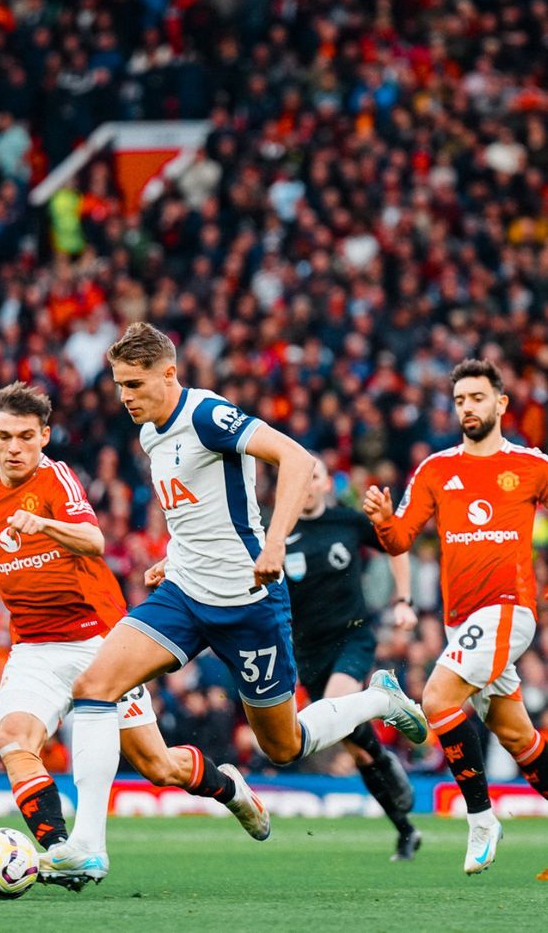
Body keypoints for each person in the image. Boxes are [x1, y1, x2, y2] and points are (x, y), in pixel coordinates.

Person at [40, 323, 428, 884]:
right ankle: (88, 846)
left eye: (134, 384)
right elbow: (196, 509)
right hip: (184, 595)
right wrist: (174, 556)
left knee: (284, 745)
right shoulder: (150, 432)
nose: (124, 396)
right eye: (119, 384)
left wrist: (274, 544)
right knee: (94, 686)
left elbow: (295, 458)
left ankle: (377, 699)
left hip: (248, 603)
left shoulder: (206, 415)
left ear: (169, 374)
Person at [0, 382, 268, 883]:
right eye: (4, 437)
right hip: (34, 648)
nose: (13, 448)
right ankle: (65, 851)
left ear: (44, 436)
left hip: (101, 642)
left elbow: (94, 540)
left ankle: (231, 789)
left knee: (158, 766)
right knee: (13, 738)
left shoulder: (57, 479)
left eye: (25, 437)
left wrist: (43, 525)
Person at [364, 358, 548, 874]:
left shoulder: (532, 465)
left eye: (477, 397)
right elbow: (400, 538)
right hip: (460, 622)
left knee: (437, 698)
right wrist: (383, 521)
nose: (468, 407)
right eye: (461, 399)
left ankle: (482, 819)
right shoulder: (435, 469)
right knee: (518, 737)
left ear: (501, 403)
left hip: (508, 609)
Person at [285, 456, 421, 861]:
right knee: (357, 749)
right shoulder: (278, 531)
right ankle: (405, 829)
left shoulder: (346, 522)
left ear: (327, 484)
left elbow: (396, 542)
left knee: (336, 706)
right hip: (307, 650)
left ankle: (383, 752)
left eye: (314, 477)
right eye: (300, 477)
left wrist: (404, 599)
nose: (307, 484)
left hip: (352, 636)